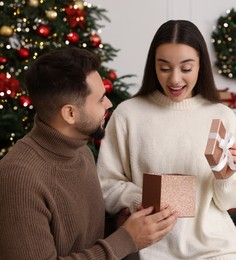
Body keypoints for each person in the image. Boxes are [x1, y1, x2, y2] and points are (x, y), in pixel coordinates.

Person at [0, 47, 178, 260]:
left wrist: (119, 227)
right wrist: (126, 239)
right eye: (100, 99)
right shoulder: (19, 178)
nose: (109, 104)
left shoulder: (82, 152)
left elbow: (83, 240)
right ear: (70, 113)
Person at [97, 20, 236, 259]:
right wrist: (143, 200)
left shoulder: (221, 116)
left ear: (201, 65)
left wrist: (226, 176)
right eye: (165, 68)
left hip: (216, 247)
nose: (175, 79)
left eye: (186, 68)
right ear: (153, 66)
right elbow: (105, 184)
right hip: (153, 248)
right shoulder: (128, 114)